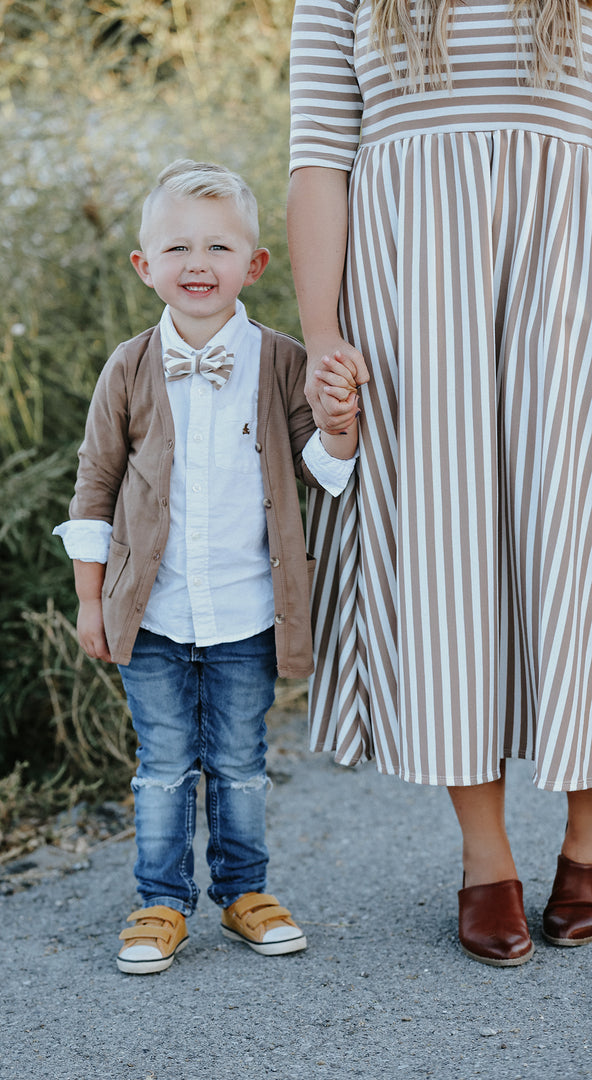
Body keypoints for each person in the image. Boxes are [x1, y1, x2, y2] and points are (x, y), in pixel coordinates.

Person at [287, 0, 592, 967]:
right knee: (444, 545)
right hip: (412, 282)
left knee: (576, 532)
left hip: (573, 263)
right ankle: (484, 856)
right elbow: (320, 159)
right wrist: (325, 333)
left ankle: (588, 841)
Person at [54, 159, 360, 974]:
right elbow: (95, 485)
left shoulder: (282, 360)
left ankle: (244, 893)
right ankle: (160, 900)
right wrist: (91, 602)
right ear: (144, 265)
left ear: (253, 266)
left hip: (246, 610)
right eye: (178, 247)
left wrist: (338, 429)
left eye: (219, 246)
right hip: (150, 611)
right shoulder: (127, 366)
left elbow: (322, 471)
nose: (198, 263)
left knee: (237, 762)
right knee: (161, 766)